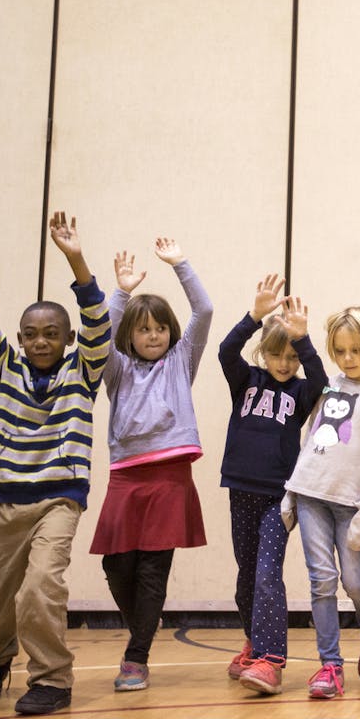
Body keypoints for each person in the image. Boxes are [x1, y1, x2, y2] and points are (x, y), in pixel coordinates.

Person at [0, 209, 111, 716]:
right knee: (1, 596)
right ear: (19, 339)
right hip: (7, 498)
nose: (40, 341)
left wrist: (75, 258)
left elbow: (98, 319)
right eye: (30, 334)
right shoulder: (4, 367)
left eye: (51, 333)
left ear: (68, 339)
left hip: (59, 497)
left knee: (40, 587)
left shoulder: (85, 370)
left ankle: (52, 680)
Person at [90, 238, 213, 692]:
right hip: (125, 474)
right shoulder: (117, 370)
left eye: (161, 327)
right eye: (144, 329)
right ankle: (145, 622)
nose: (154, 335)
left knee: (151, 570)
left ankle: (135, 656)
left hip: (168, 477)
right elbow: (100, 335)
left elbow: (204, 311)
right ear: (131, 336)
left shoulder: (182, 362)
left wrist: (180, 263)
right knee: (116, 567)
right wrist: (120, 293)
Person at [217, 276, 326, 697]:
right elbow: (226, 350)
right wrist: (253, 317)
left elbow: (321, 381)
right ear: (263, 353)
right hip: (240, 490)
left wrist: (305, 341)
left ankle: (271, 660)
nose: (284, 364)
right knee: (246, 577)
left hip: (279, 497)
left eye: (291, 358)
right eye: (277, 355)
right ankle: (253, 641)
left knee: (266, 574)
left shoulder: (301, 392)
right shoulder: (246, 380)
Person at [284, 306, 360, 699]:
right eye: (340, 351)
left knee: (353, 581)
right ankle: (330, 666)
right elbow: (311, 440)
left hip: (351, 506)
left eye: (356, 350)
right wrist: (292, 491)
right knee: (322, 581)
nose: (348, 359)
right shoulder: (330, 385)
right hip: (311, 496)